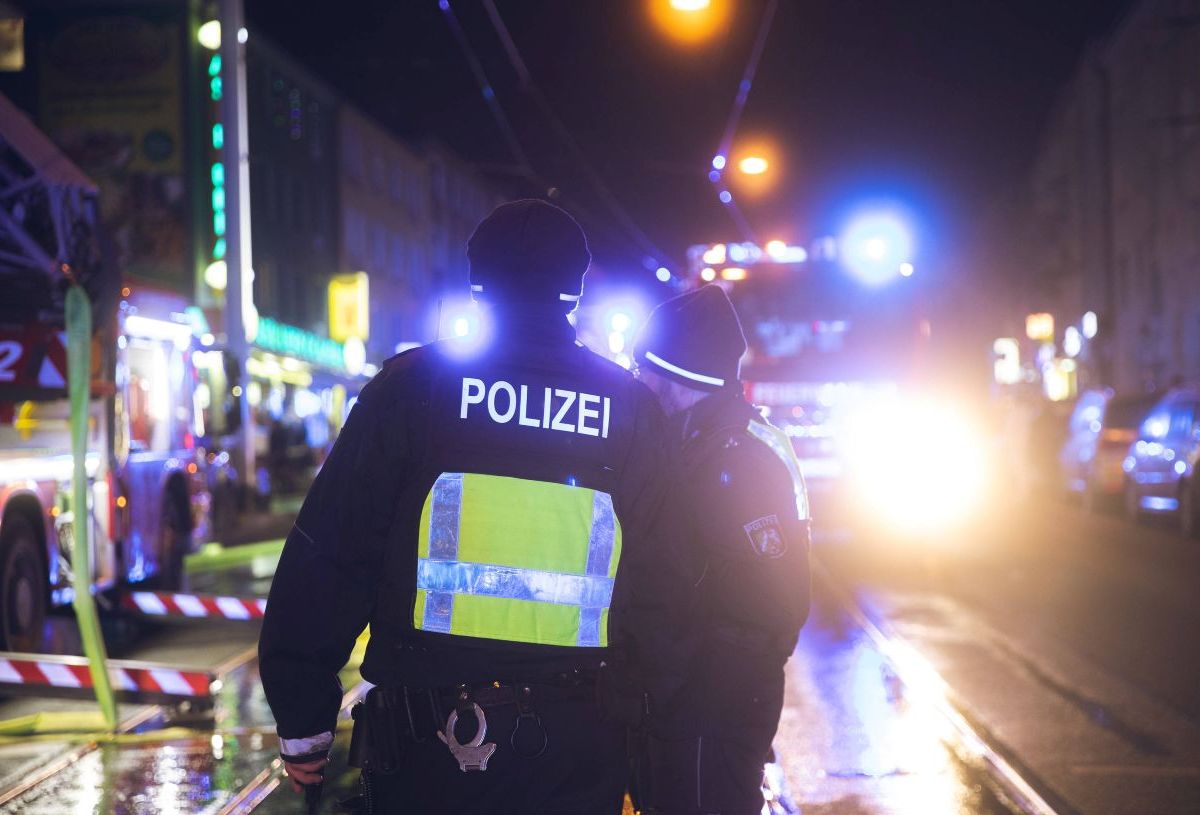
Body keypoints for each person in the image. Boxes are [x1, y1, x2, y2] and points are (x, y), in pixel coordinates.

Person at [258, 199, 688, 814]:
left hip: (427, 744)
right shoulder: (630, 407)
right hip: (576, 744)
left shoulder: (413, 388)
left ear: (477, 279)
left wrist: (304, 720)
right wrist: (647, 720)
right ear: (579, 284)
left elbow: (332, 553)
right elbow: (666, 583)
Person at [630, 285, 811, 815]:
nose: (640, 380)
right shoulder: (695, 442)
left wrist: (671, 679)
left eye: (648, 369)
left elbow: (766, 602)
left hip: (708, 702)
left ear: (679, 377)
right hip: (692, 702)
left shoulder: (737, 457)